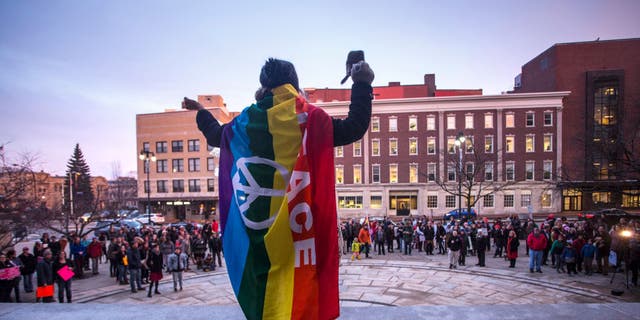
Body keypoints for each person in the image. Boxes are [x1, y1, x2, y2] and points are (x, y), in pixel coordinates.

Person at [185, 56, 374, 320]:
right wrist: (362, 83)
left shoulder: (244, 123)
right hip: (299, 230)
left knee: (267, 297)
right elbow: (355, 126)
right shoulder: (311, 118)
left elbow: (216, 135)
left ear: (264, 87)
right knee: (301, 292)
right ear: (294, 85)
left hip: (260, 234)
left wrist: (201, 112)